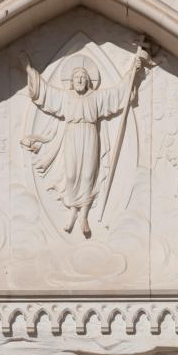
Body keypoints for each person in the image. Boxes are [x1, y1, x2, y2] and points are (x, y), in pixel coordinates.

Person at [19, 50, 144, 237]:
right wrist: (29, 71)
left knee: (87, 175)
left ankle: (83, 215)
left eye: (82, 77)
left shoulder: (97, 97)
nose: (79, 80)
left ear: (88, 81)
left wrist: (132, 72)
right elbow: (46, 92)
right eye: (76, 77)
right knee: (70, 176)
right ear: (71, 80)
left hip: (90, 135)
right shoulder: (65, 97)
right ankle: (72, 211)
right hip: (72, 135)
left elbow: (117, 93)